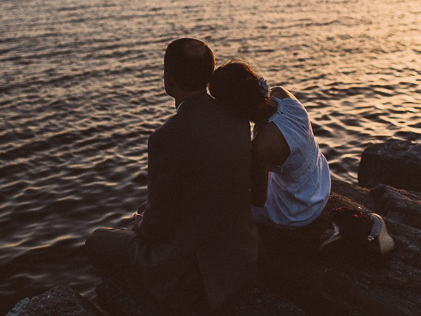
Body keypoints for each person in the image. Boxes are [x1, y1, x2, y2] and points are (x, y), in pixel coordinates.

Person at [85, 39, 258, 312]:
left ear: (168, 76)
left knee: (97, 240)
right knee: (145, 210)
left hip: (196, 272)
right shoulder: (235, 116)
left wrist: (142, 225)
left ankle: (147, 298)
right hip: (240, 257)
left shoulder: (167, 137)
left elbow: (159, 226)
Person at [209, 61, 331, 228]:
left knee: (221, 201)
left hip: (300, 206)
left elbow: (258, 200)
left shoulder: (261, 146)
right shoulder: (282, 95)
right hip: (320, 178)